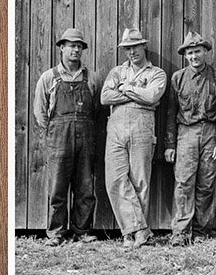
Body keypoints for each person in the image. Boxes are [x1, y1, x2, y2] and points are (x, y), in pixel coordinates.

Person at [32, 27, 102, 246]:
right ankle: (56, 233)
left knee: (85, 187)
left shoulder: (91, 78)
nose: (76, 50)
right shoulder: (49, 77)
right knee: (57, 188)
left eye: (79, 46)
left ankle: (82, 231)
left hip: (86, 138)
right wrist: (54, 132)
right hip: (58, 140)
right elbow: (40, 112)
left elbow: (97, 109)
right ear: (61, 48)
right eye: (71, 45)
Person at [100, 28, 168, 247]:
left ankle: (131, 235)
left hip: (142, 126)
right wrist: (137, 94)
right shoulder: (117, 71)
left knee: (140, 180)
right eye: (127, 49)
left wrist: (125, 88)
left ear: (143, 46)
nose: (131, 52)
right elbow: (104, 97)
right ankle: (139, 229)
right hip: (116, 127)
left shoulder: (156, 73)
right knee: (115, 178)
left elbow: (152, 96)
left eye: (135, 47)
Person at [163, 31, 216, 246]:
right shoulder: (177, 78)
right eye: (190, 53)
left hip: (210, 133)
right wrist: (170, 144)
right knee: (183, 182)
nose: (194, 56)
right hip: (186, 133)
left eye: (197, 51)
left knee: (207, 183)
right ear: (185, 55)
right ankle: (180, 233)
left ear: (205, 52)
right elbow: (171, 113)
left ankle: (201, 231)